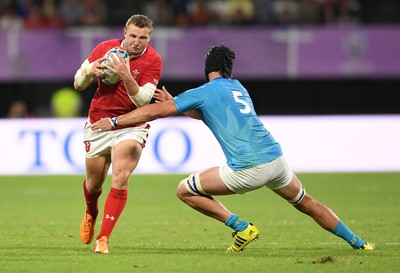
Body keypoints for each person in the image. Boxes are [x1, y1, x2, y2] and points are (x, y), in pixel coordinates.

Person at [91, 44, 374, 252]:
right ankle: (358, 243)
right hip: (276, 160)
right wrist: (177, 102)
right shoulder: (238, 88)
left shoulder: (203, 91)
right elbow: (209, 114)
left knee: (185, 190)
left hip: (249, 167)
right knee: (306, 202)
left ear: (207, 67)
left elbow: (152, 113)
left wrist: (115, 121)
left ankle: (242, 227)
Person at [73, 14, 162, 254]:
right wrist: (91, 70)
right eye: (133, 35)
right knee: (93, 185)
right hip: (99, 123)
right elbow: (78, 83)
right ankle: (91, 212)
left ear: (149, 37)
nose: (137, 41)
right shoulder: (104, 49)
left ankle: (103, 239)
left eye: (142, 37)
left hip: (129, 124)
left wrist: (126, 75)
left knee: (121, 175)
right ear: (125, 32)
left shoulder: (153, 60)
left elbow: (143, 99)